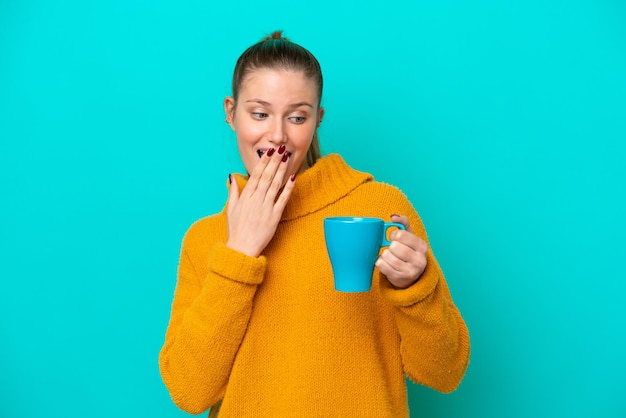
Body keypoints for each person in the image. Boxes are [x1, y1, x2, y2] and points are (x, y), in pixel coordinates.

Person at [159, 31, 470, 418]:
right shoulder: (205, 239)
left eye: (297, 117)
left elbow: (445, 372)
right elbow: (189, 392)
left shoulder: (379, 210)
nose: (277, 135)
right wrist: (238, 255)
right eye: (259, 113)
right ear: (230, 112)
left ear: (317, 119)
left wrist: (416, 288)